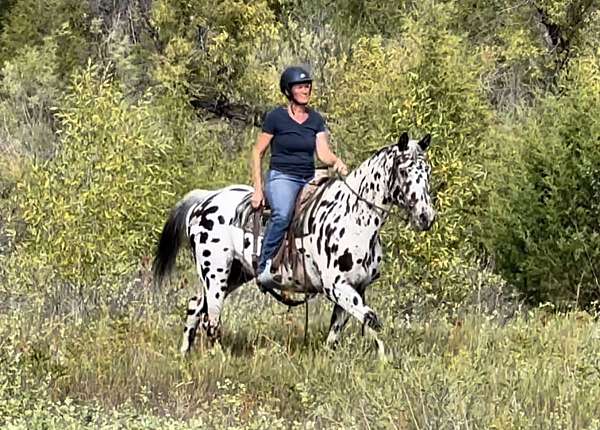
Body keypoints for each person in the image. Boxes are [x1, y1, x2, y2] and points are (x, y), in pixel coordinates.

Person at [251, 66, 348, 287]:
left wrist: (336, 162)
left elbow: (322, 153)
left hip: (309, 176)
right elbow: (257, 152)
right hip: (282, 177)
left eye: (307, 86)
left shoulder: (315, 120)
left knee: (331, 211)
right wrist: (258, 188)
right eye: (300, 87)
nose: (306, 90)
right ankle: (264, 266)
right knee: (283, 215)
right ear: (288, 90)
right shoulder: (276, 117)